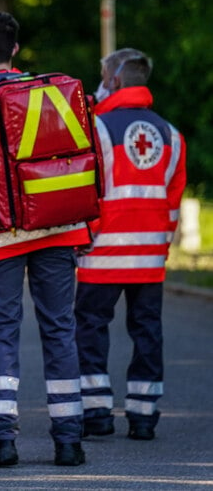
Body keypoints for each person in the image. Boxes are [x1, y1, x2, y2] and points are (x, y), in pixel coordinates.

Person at [0, 11, 90, 468]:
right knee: (60, 330)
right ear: (15, 49)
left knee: (1, 333)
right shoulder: (51, 92)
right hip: (60, 227)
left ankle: (1, 439)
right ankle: (70, 440)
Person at [75, 49, 186, 441]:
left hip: (102, 253)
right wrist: (162, 247)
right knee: (147, 332)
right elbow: (172, 201)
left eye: (103, 77)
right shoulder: (171, 135)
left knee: (90, 329)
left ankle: (96, 412)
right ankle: (143, 414)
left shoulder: (98, 129)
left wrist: (84, 237)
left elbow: (88, 193)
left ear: (116, 81)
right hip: (150, 256)